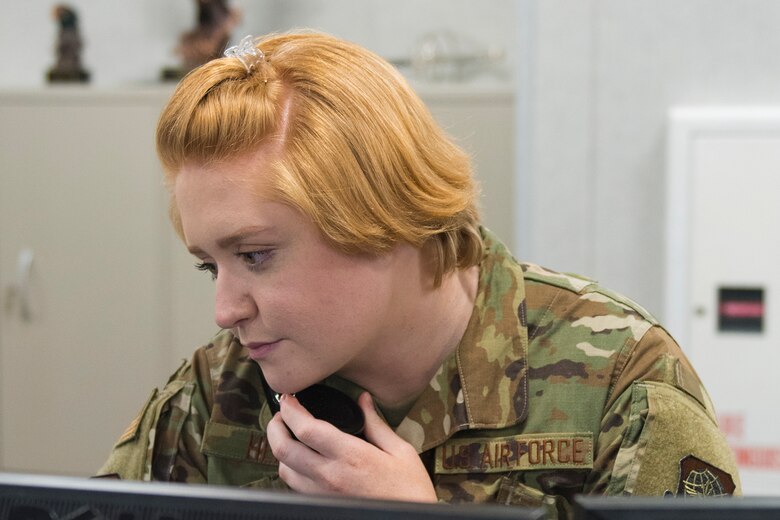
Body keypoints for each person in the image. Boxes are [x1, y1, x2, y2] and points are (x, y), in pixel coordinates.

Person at [98, 31, 740, 518]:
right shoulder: (221, 391)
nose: (226, 309)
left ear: (380, 216)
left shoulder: (618, 383)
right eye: (211, 266)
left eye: (256, 256)